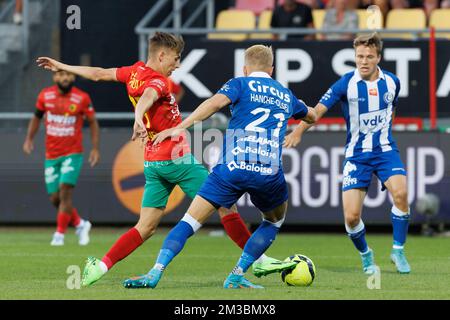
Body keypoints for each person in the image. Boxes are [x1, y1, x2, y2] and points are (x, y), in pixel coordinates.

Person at [36, 32, 288, 286]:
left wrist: (61, 65)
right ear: (161, 55)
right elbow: (148, 97)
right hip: (175, 158)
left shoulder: (133, 72)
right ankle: (259, 260)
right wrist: (138, 117)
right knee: (226, 206)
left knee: (145, 227)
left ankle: (99, 267)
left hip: (153, 162)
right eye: (176, 59)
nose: (177, 65)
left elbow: (99, 73)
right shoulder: (159, 82)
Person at [122, 44, 317, 289]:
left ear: (245, 69)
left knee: (188, 222)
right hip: (267, 171)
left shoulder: (239, 83)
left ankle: (154, 272)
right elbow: (312, 115)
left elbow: (213, 104)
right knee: (273, 221)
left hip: (231, 168)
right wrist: (299, 130)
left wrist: (183, 125)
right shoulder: (285, 95)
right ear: (272, 69)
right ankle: (236, 274)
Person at [284, 33, 411, 274]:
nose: (363, 61)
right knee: (352, 217)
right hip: (356, 155)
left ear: (378, 58)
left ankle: (398, 250)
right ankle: (366, 255)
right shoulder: (345, 84)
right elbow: (317, 111)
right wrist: (299, 131)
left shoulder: (393, 82)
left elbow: (392, 111)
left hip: (385, 150)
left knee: (402, 193)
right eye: (359, 56)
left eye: (369, 57)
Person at [23, 70, 99, 246]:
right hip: (51, 154)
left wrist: (95, 148)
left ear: (73, 77)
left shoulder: (82, 98)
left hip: (73, 153)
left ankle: (59, 235)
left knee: (65, 190)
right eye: (61, 75)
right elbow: (36, 117)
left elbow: (93, 122)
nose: (65, 78)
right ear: (55, 77)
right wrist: (29, 138)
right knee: (55, 199)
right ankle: (80, 224)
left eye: (68, 75)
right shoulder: (45, 95)